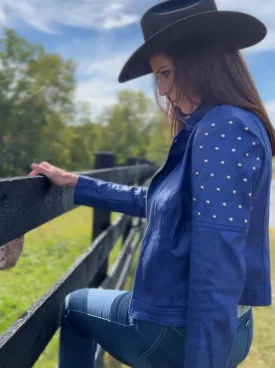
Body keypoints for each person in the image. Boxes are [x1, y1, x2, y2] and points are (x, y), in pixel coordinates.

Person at [30, 0, 274, 367]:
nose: (162, 91)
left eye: (165, 72)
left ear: (200, 63)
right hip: (231, 326)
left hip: (177, 331)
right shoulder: (232, 124)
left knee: (72, 307)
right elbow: (160, 201)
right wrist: (77, 183)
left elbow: (217, 259)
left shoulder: (221, 127)